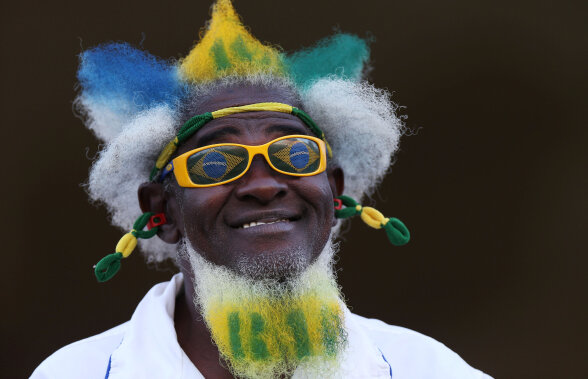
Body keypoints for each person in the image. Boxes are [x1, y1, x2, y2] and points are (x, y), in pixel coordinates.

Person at [32, 1, 491, 378]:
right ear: (162, 213)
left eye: (293, 153)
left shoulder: (430, 369)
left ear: (334, 191)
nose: (264, 184)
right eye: (215, 161)